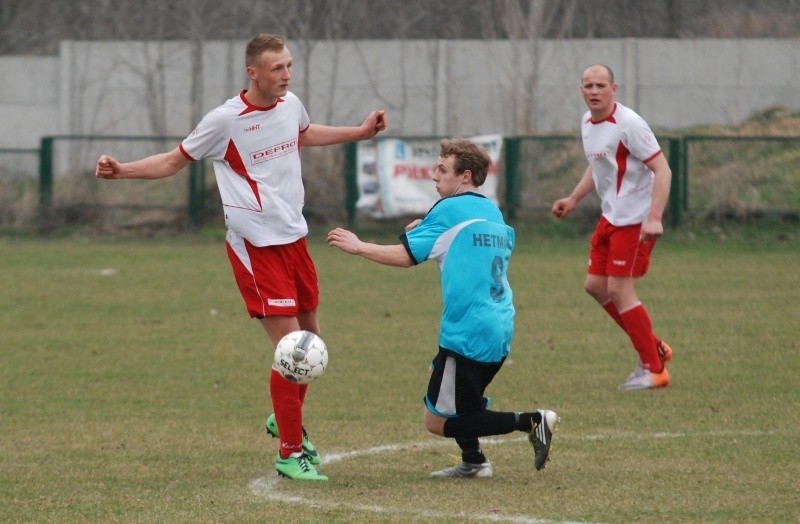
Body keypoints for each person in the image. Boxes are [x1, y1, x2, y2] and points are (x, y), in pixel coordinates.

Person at [96, 33, 387, 481]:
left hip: (295, 238)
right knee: (293, 351)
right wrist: (124, 171)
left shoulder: (291, 105)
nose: (286, 75)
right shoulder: (225, 121)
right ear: (253, 72)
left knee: (312, 342)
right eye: (277, 68)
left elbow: (304, 134)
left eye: (289, 66)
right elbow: (174, 161)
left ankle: (283, 414)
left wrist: (360, 132)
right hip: (256, 245)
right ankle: (290, 452)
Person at [327, 138, 558, 478]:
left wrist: (360, 246)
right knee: (465, 403)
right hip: (499, 323)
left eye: (442, 169)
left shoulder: (448, 210)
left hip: (468, 328)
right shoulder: (491, 211)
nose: (434, 175)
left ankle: (532, 421)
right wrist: (428, 229)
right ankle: (474, 462)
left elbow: (406, 257)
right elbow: (463, 245)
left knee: (437, 420)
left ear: (465, 176)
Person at [551, 64, 673, 391]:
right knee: (595, 286)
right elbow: (599, 166)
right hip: (610, 217)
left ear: (613, 89)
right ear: (581, 91)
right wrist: (574, 198)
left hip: (635, 220)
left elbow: (662, 171)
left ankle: (654, 369)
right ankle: (653, 346)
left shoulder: (630, 124)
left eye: (600, 85)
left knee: (620, 290)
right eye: (588, 85)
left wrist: (655, 217)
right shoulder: (587, 123)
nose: (594, 91)